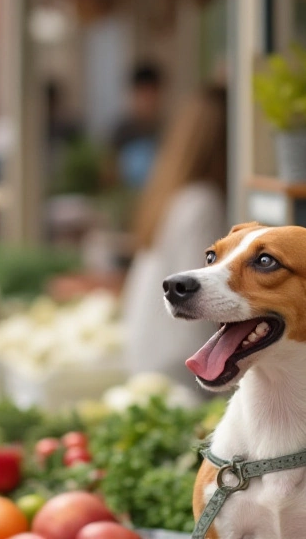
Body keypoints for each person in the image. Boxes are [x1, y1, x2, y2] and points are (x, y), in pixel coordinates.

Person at [120, 85, 227, 391]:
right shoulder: (201, 203)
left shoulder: (174, 193)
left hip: (152, 359)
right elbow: (201, 302)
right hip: (180, 372)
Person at [108, 62, 164, 191]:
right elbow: (108, 172)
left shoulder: (167, 130)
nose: (147, 101)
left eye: (151, 94)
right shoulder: (121, 131)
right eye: (143, 94)